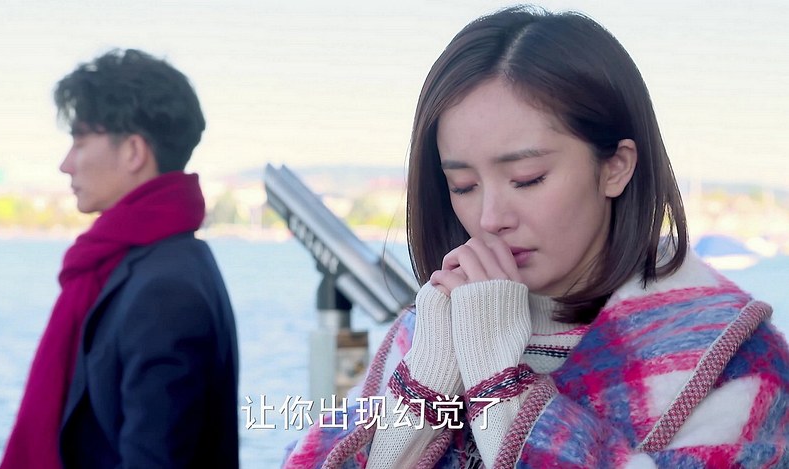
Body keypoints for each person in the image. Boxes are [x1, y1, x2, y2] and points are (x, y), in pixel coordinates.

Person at [283, 5, 789, 468]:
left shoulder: (732, 357)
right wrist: (425, 384)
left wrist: (501, 386)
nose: (490, 218)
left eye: (527, 179)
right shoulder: (425, 334)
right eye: (463, 186)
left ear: (615, 167)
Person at [0, 49, 240, 468]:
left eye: (79, 142)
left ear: (133, 151)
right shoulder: (153, 264)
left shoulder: (165, 291)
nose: (65, 165)